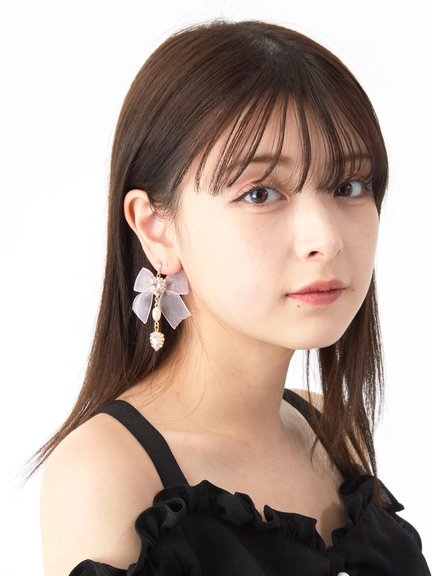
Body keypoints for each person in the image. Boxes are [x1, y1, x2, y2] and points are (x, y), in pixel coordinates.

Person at [34, 19, 430, 576]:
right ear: (156, 229)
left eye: (349, 186)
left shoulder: (327, 430)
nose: (325, 239)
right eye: (260, 193)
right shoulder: (107, 474)